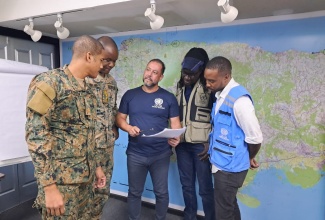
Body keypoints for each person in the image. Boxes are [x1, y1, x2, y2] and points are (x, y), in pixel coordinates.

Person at [25, 35, 107, 220]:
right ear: (89, 56)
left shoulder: (88, 88)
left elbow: (88, 132)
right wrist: (49, 187)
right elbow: (36, 136)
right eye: (100, 60)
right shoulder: (49, 83)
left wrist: (97, 167)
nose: (102, 66)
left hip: (85, 180)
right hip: (61, 183)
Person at [116, 59, 182, 220]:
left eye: (155, 72)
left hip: (160, 155)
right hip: (135, 154)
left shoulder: (168, 98)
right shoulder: (130, 95)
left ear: (161, 77)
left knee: (161, 192)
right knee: (134, 192)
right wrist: (128, 128)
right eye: (148, 70)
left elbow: (175, 124)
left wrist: (176, 138)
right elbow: (119, 119)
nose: (149, 74)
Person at [204, 56, 263, 220]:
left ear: (226, 77)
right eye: (206, 80)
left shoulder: (240, 101)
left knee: (223, 213)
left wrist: (249, 157)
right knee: (229, 205)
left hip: (230, 168)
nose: (207, 84)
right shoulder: (220, 95)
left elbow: (255, 138)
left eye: (211, 81)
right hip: (221, 162)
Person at [175, 48, 215, 220]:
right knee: (187, 185)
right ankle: (189, 216)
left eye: (192, 74)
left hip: (201, 146)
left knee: (205, 188)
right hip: (182, 145)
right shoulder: (180, 86)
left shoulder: (210, 88)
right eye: (185, 73)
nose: (187, 77)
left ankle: (210, 217)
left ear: (201, 70)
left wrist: (210, 142)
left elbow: (217, 117)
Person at [86, 36, 119, 220]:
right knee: (86, 194)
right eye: (107, 59)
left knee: (102, 191)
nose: (111, 64)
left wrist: (115, 129)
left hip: (107, 148)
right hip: (89, 149)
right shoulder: (85, 80)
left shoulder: (111, 82)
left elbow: (112, 108)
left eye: (114, 61)